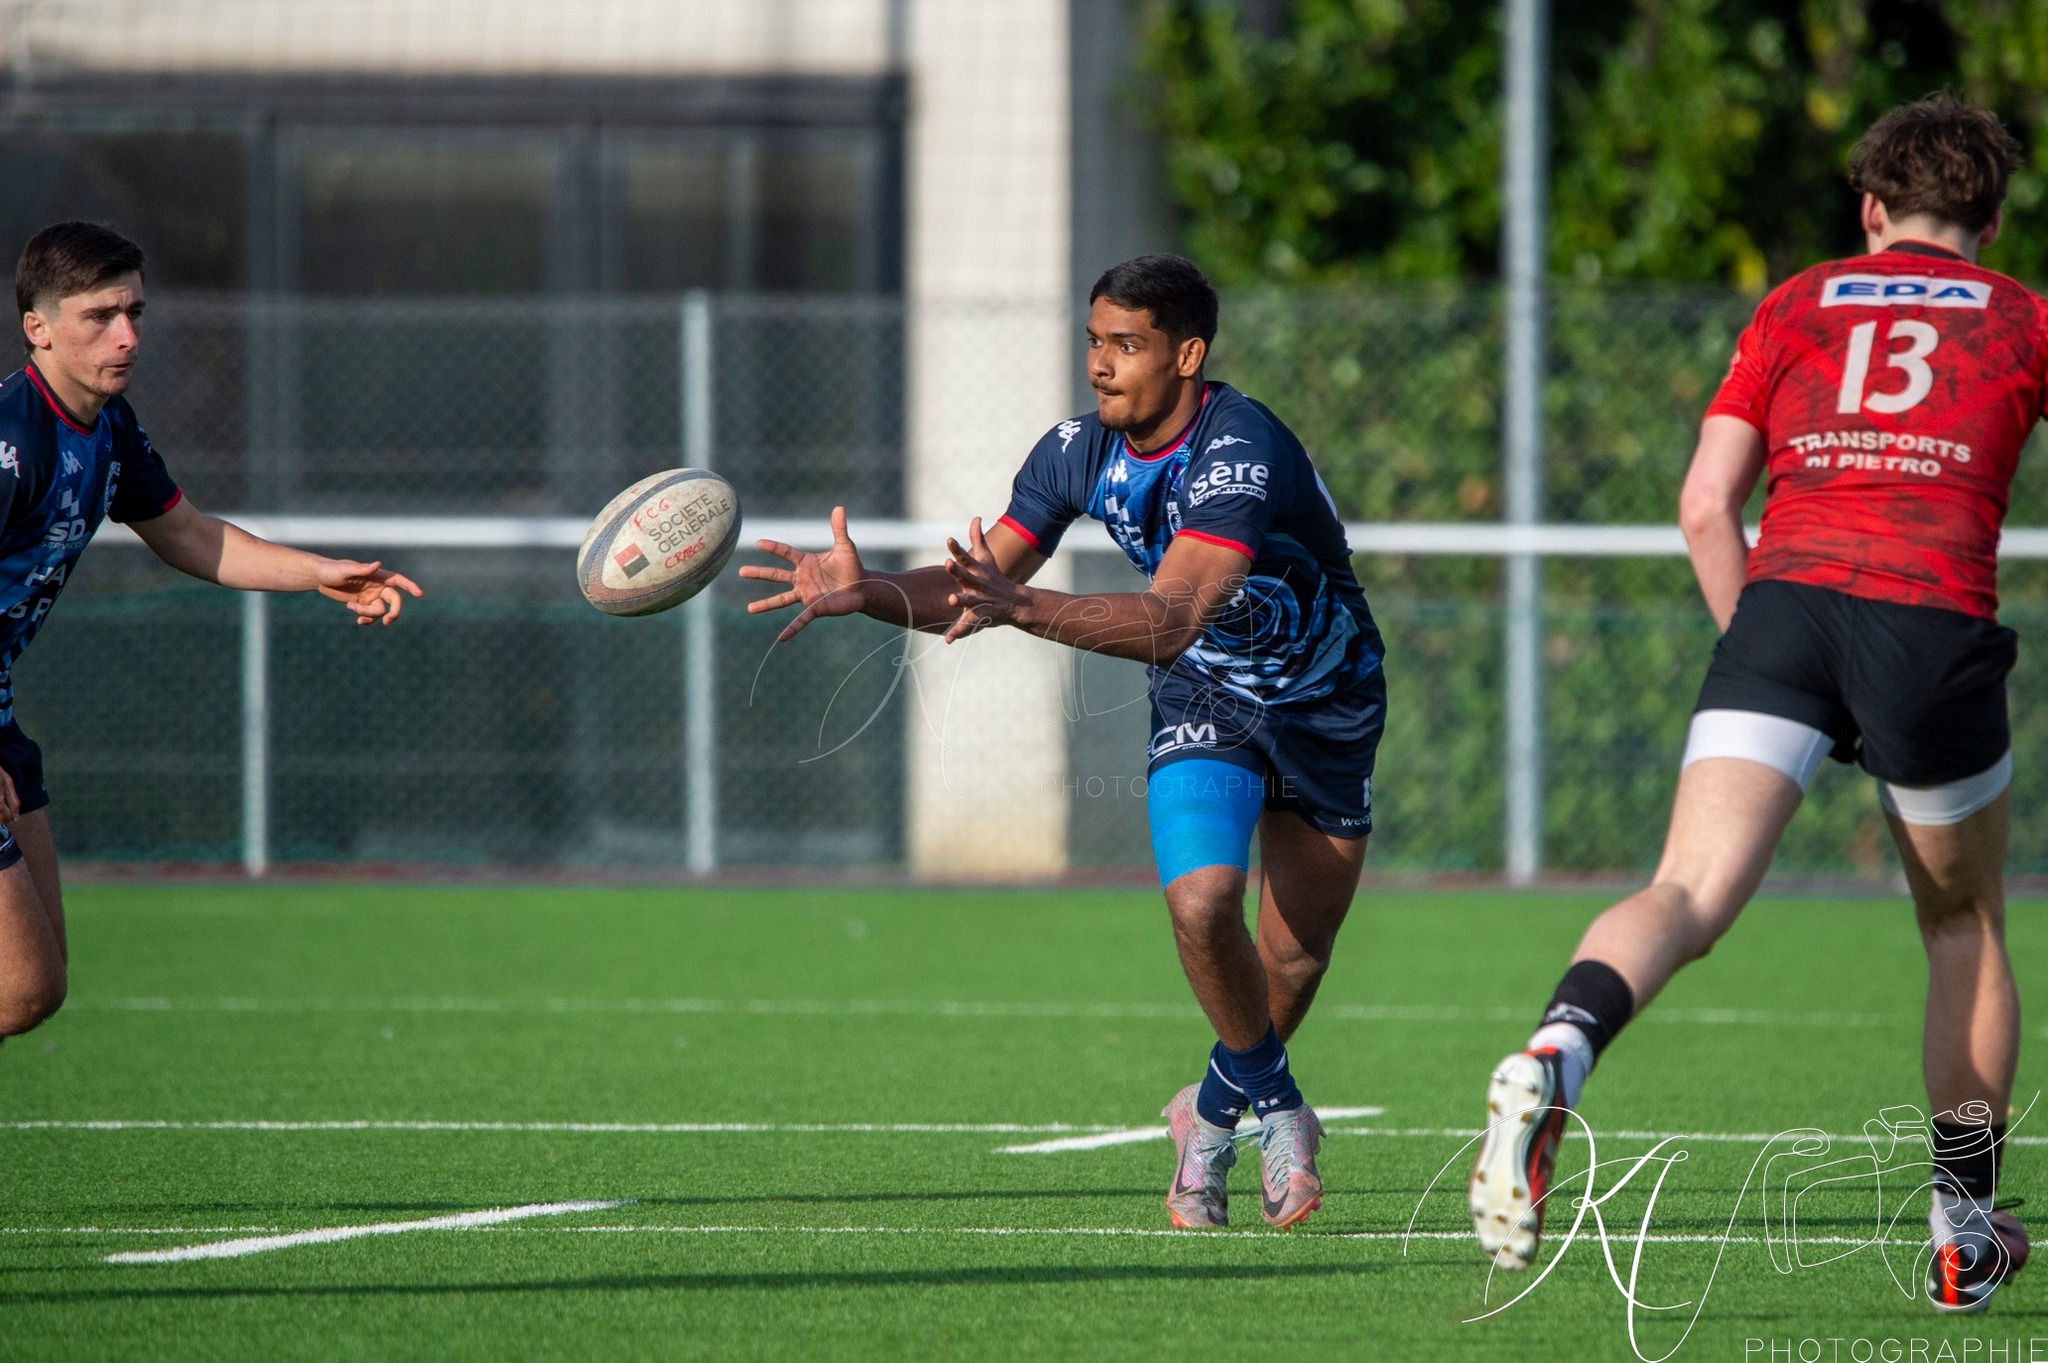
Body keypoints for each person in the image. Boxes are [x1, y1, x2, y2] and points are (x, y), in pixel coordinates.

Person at [1467, 94, 2033, 1313]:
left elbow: (1701, 506)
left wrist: (1769, 666)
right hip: (1930, 618)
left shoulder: (1793, 304)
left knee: (1682, 890)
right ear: (1989, 219)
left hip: (1779, 610)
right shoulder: (2024, 317)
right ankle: (1959, 1229)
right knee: (1961, 925)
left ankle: (1558, 1050)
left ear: (1868, 211)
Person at [743, 254, 1386, 1229]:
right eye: (1093, 340)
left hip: (1325, 699)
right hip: (1206, 691)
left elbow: (1167, 614)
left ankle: (1208, 1115)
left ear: (1186, 355)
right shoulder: (1073, 451)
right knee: (1204, 898)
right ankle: (1281, 1109)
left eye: (1125, 345)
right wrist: (865, 590)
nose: (1099, 364)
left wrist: (1021, 606)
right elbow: (984, 580)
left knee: (1291, 962)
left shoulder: (1238, 448)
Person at [0, 221, 422, 1041]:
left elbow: (190, 535)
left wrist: (321, 574)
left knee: (38, 986)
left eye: (135, 312)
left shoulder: (109, 431)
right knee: (18, 984)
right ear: (38, 328)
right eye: (99, 316)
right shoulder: (13, 443)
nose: (126, 335)